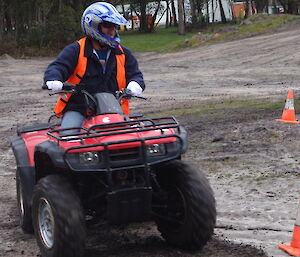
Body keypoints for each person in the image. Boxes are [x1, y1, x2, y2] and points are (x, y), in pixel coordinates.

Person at [44, 2, 145, 133]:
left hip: (113, 109)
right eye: (107, 25)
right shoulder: (76, 50)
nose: (112, 29)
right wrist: (54, 79)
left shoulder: (123, 53)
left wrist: (135, 85)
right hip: (79, 108)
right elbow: (59, 66)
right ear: (93, 26)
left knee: (130, 138)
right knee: (69, 136)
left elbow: (135, 74)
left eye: (114, 25)